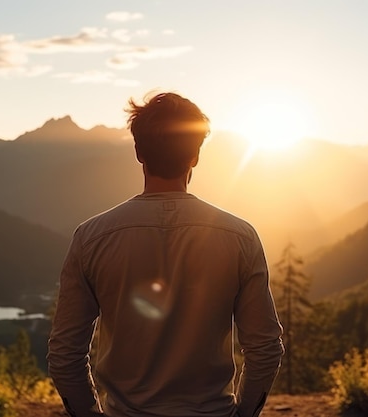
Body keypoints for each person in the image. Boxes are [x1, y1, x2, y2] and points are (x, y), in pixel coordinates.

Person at [48, 92, 284, 417]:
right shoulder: (239, 237)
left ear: (138, 152)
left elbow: (64, 354)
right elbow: (265, 348)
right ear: (196, 155)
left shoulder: (92, 238)